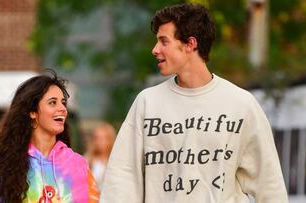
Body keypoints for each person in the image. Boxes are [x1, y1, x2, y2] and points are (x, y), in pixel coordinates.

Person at [100, 3, 288, 203]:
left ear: (190, 44)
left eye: (164, 41)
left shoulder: (241, 104)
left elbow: (269, 185)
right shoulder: (147, 103)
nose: (155, 50)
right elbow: (121, 180)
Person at [0, 71, 99, 203]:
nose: (62, 108)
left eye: (63, 102)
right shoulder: (7, 165)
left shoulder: (76, 164)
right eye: (53, 103)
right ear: (32, 112)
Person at [84, 122, 116, 190]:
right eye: (96, 138)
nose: (98, 141)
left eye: (102, 138)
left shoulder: (116, 160)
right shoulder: (87, 160)